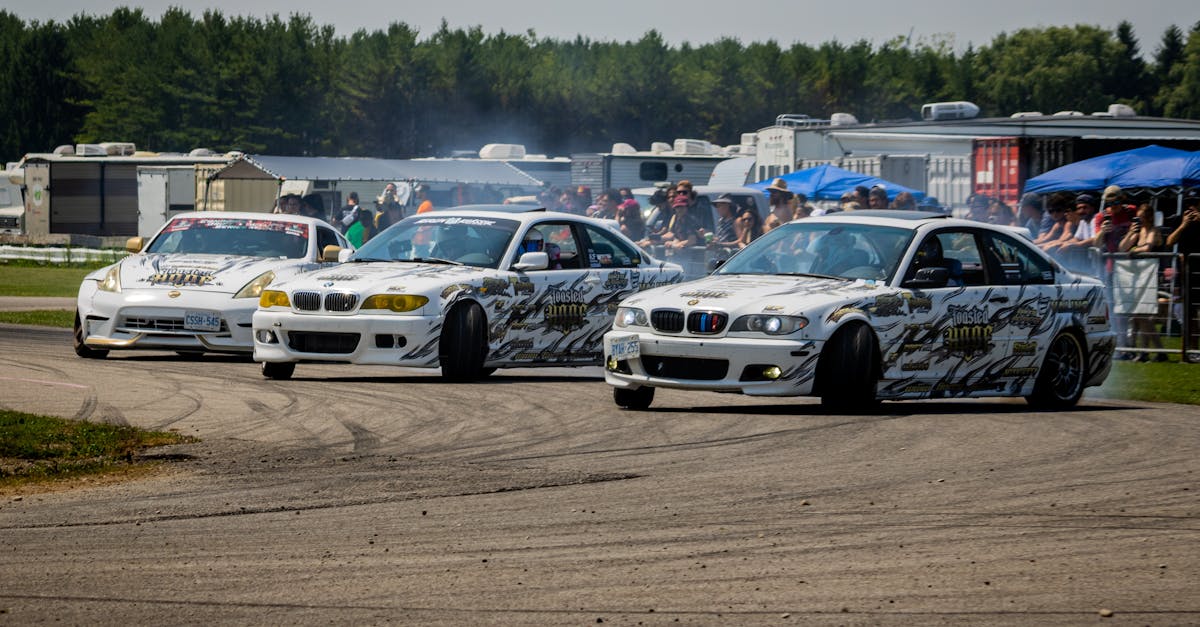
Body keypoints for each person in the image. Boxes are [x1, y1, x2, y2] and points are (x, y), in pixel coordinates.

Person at [1119, 202, 1167, 361]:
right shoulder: (1139, 232)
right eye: (1138, 218)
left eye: (1142, 217)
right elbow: (1121, 248)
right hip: (1140, 277)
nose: (1140, 220)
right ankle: (1147, 352)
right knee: (1140, 316)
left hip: (1152, 276)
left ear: (1149, 217)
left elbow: (1148, 247)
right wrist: (1130, 233)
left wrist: (1133, 251)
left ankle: (1155, 352)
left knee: (1143, 315)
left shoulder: (1154, 231)